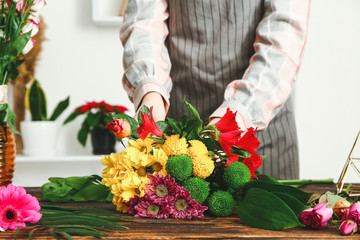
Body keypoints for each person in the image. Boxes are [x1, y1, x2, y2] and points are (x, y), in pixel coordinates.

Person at [120, 0, 310, 180]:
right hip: (177, 128)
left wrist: (232, 120)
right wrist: (151, 92)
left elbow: (283, 41)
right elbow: (143, 23)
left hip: (261, 131)